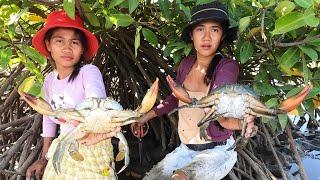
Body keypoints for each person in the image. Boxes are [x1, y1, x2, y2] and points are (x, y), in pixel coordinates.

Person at [136, 1, 256, 180]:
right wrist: (144, 117)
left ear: (222, 35)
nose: (207, 37)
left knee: (180, 178)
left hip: (217, 151)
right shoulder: (186, 64)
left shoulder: (227, 67)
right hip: (186, 148)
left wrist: (243, 125)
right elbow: (173, 100)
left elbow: (220, 113)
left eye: (214, 30)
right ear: (192, 35)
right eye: (200, 29)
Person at [25, 10, 120, 180]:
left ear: (82, 48)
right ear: (48, 45)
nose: (67, 48)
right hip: (62, 146)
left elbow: (96, 104)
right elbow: (48, 119)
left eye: (74, 42)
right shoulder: (49, 80)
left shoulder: (89, 72)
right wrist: (44, 158)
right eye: (59, 41)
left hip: (92, 146)